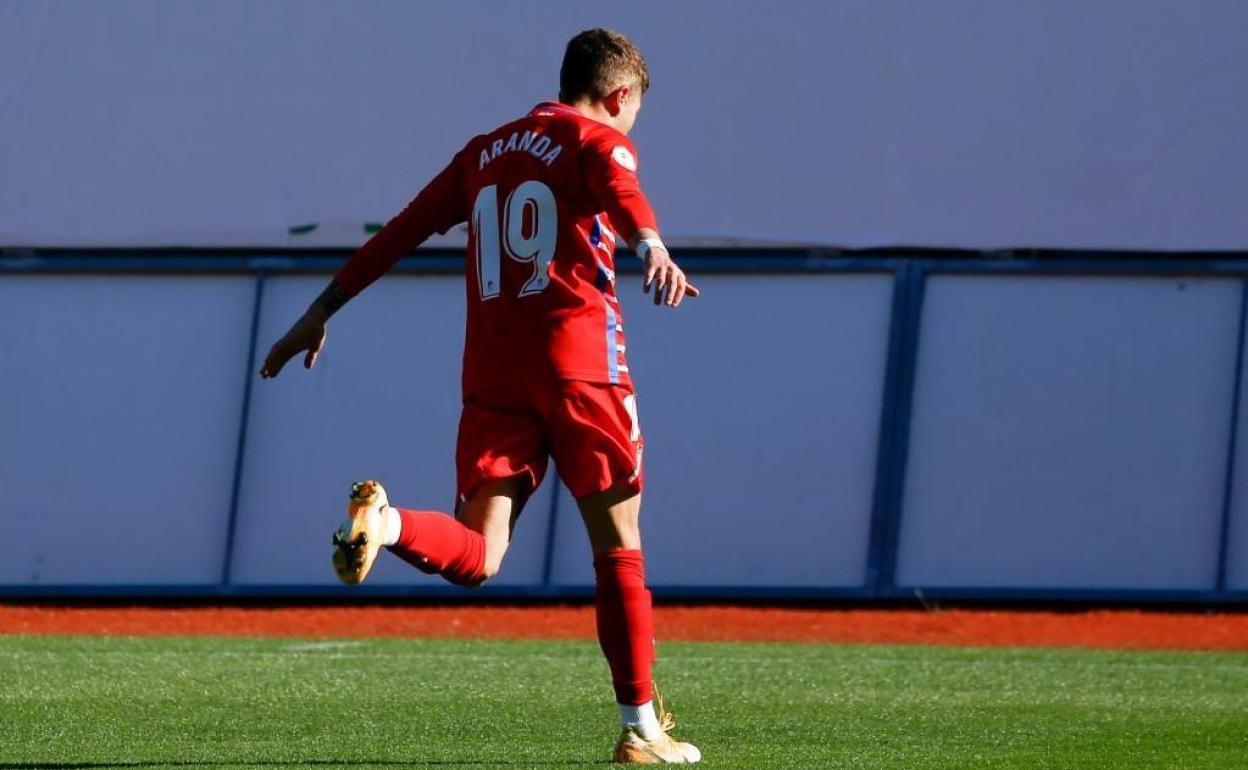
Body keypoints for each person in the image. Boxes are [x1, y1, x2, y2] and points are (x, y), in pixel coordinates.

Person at [259, 28, 701, 764]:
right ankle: (638, 729)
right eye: (633, 112)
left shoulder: (483, 153)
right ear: (620, 95)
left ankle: (390, 523)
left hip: (494, 376)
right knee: (619, 548)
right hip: (581, 367)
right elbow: (624, 187)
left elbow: (399, 232)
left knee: (483, 550)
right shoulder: (598, 140)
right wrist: (652, 248)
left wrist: (322, 310)